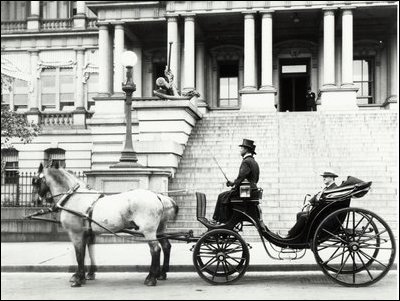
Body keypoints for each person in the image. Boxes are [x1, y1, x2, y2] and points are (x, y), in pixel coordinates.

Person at [212, 139, 260, 224]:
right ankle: (225, 220)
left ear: (246, 149)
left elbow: (241, 177)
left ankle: (219, 220)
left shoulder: (246, 161)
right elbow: (254, 179)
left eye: (241, 148)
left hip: (246, 192)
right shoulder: (254, 162)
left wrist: (235, 185)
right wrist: (233, 183)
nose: (240, 150)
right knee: (226, 195)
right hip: (251, 190)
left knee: (222, 196)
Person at [287, 170, 338, 237]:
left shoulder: (334, 188)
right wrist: (309, 202)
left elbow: (326, 201)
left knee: (303, 217)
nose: (324, 178)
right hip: (321, 212)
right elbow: (317, 195)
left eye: (326, 177)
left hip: (325, 215)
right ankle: (299, 235)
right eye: (323, 177)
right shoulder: (327, 188)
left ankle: (291, 235)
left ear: (332, 178)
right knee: (299, 214)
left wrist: (315, 204)